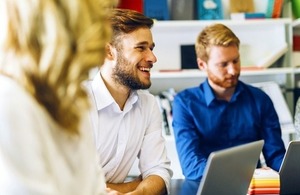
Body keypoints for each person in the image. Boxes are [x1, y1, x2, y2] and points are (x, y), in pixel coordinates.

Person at [0, 0, 122, 194]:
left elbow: (94, 188)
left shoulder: (74, 102)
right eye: (99, 17)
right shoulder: (10, 103)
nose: (106, 31)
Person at [171, 23, 286, 181]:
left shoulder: (260, 99)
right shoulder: (185, 103)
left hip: (252, 186)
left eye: (236, 60)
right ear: (202, 65)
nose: (233, 70)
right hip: (208, 187)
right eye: (223, 64)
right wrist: (241, 174)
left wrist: (290, 170)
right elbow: (191, 165)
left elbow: (275, 156)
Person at [85, 8, 173, 194]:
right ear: (109, 51)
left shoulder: (148, 104)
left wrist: (136, 192)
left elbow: (159, 171)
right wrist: (133, 185)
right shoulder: (78, 103)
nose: (152, 58)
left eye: (151, 48)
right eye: (141, 48)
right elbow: (70, 186)